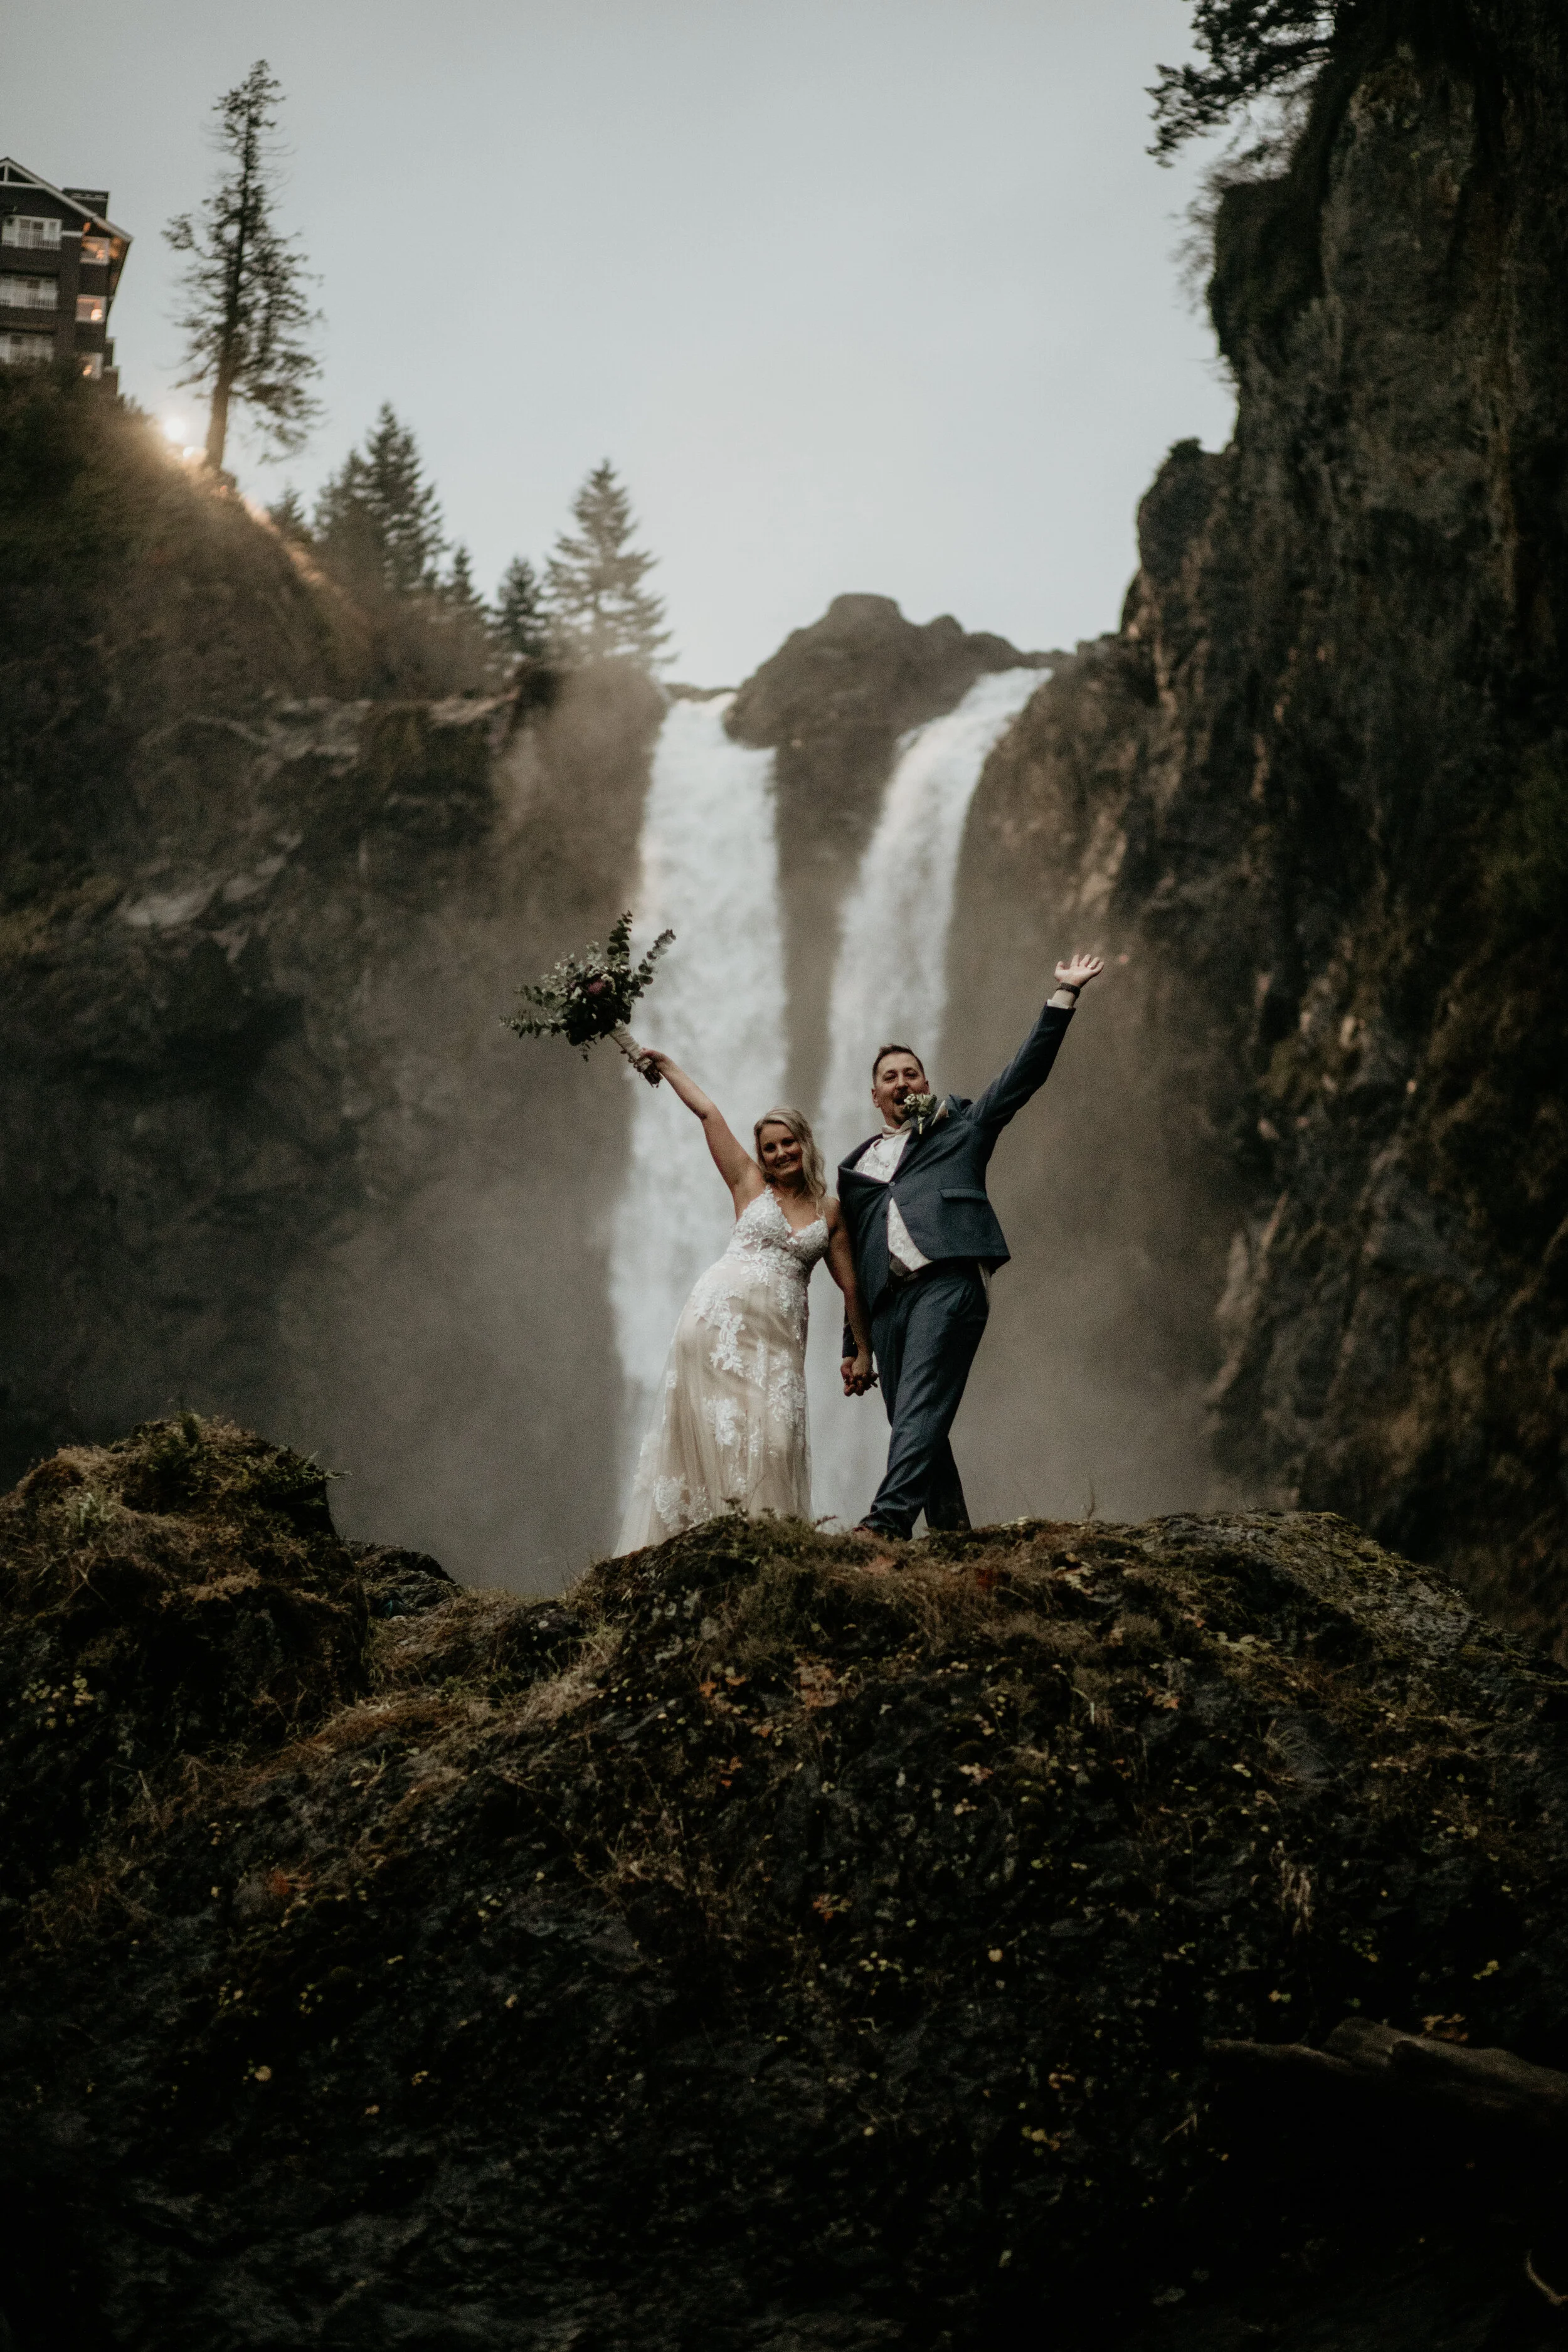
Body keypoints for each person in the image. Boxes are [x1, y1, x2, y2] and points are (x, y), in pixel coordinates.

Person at [835, 952, 1104, 1540]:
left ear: (925, 1084)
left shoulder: (961, 1128)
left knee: (921, 1406)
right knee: (912, 1418)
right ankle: (955, 1539)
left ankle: (885, 1526)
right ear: (873, 1094)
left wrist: (1063, 997)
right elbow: (848, 1259)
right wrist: (857, 1347)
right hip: (885, 1307)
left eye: (912, 1073)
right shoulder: (852, 1169)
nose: (902, 1082)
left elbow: (1021, 1076)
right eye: (890, 1077)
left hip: (947, 1282)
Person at [614, 1054, 873, 1555]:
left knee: (774, 1439)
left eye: (787, 1143)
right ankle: (706, 1546)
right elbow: (709, 1114)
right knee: (717, 1431)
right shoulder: (748, 1183)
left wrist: (864, 1352)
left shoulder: (832, 1211)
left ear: (805, 1143)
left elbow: (852, 1288)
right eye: (770, 1148)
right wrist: (666, 1066)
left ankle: (766, 1547)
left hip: (777, 1341)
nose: (779, 1154)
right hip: (718, 1325)